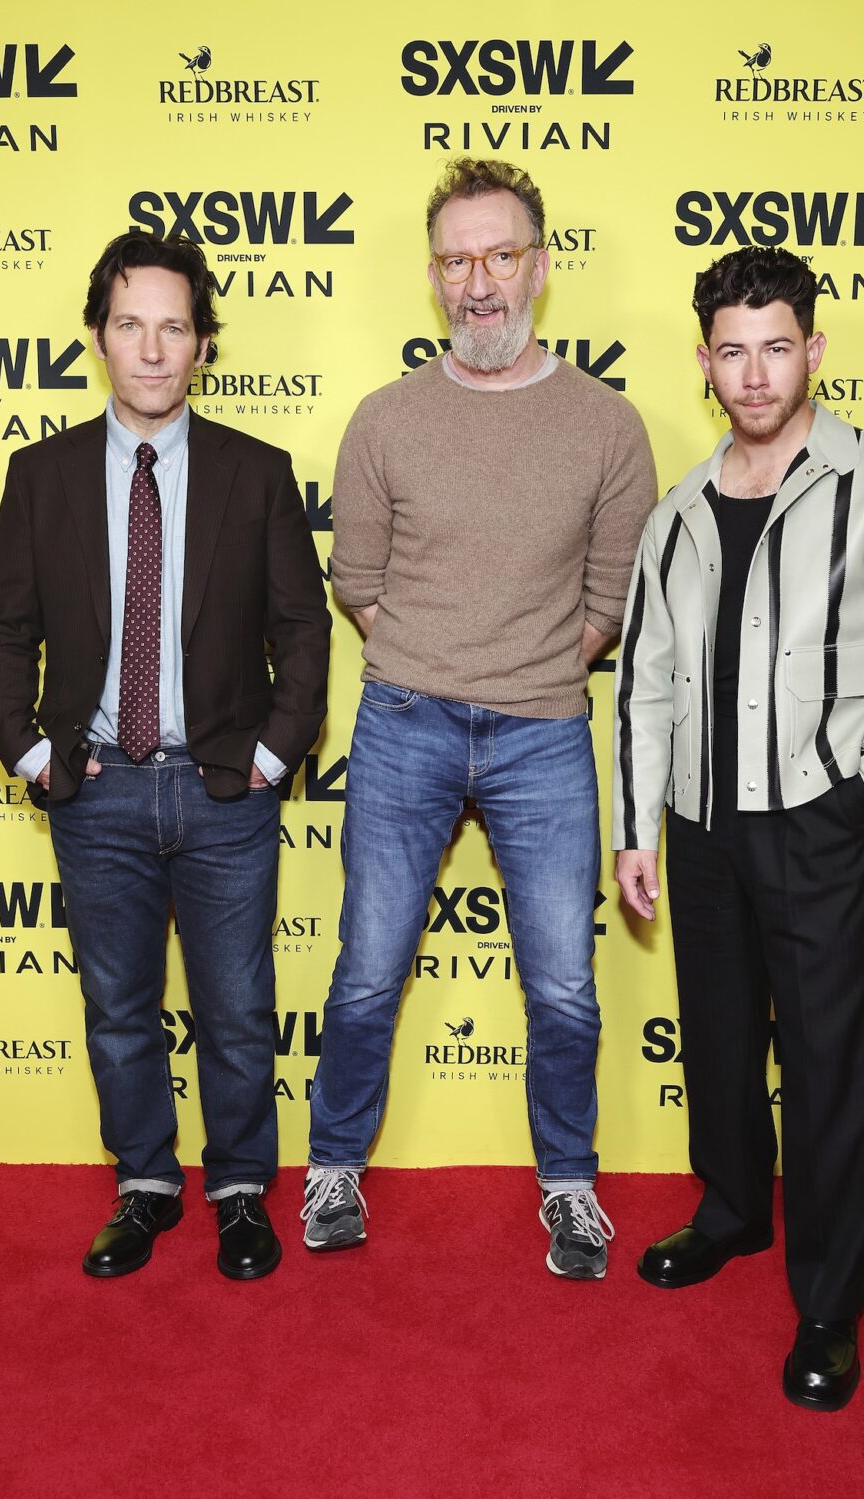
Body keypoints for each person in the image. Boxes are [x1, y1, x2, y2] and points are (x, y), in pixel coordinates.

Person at [614, 245, 864, 1407]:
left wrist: (855, 781)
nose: (755, 371)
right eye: (733, 351)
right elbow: (646, 685)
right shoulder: (675, 514)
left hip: (818, 827)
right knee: (718, 1043)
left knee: (826, 1069)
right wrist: (637, 825)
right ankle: (730, 1214)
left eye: (777, 346)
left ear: (813, 350)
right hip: (703, 827)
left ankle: (827, 1306)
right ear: (706, 362)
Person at [303, 158, 657, 1277]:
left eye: (500, 254)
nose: (479, 281)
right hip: (402, 720)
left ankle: (568, 1187)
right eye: (456, 260)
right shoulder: (385, 419)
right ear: (434, 278)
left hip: (545, 729)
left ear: (540, 268)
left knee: (561, 979)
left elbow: (612, 600)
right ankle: (332, 1168)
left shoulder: (608, 425)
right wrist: (430, 664)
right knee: (365, 967)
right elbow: (354, 582)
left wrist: (526, 669)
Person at [0, 231, 331, 1280]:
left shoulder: (257, 473)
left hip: (225, 792)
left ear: (202, 344)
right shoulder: (38, 475)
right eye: (130, 324)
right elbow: (3, 630)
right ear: (99, 338)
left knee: (235, 1011)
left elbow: (302, 630)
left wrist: (271, 759)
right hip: (94, 791)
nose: (151, 348)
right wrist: (30, 751)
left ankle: (236, 1192)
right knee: (120, 1009)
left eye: (173, 326)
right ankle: (143, 1187)